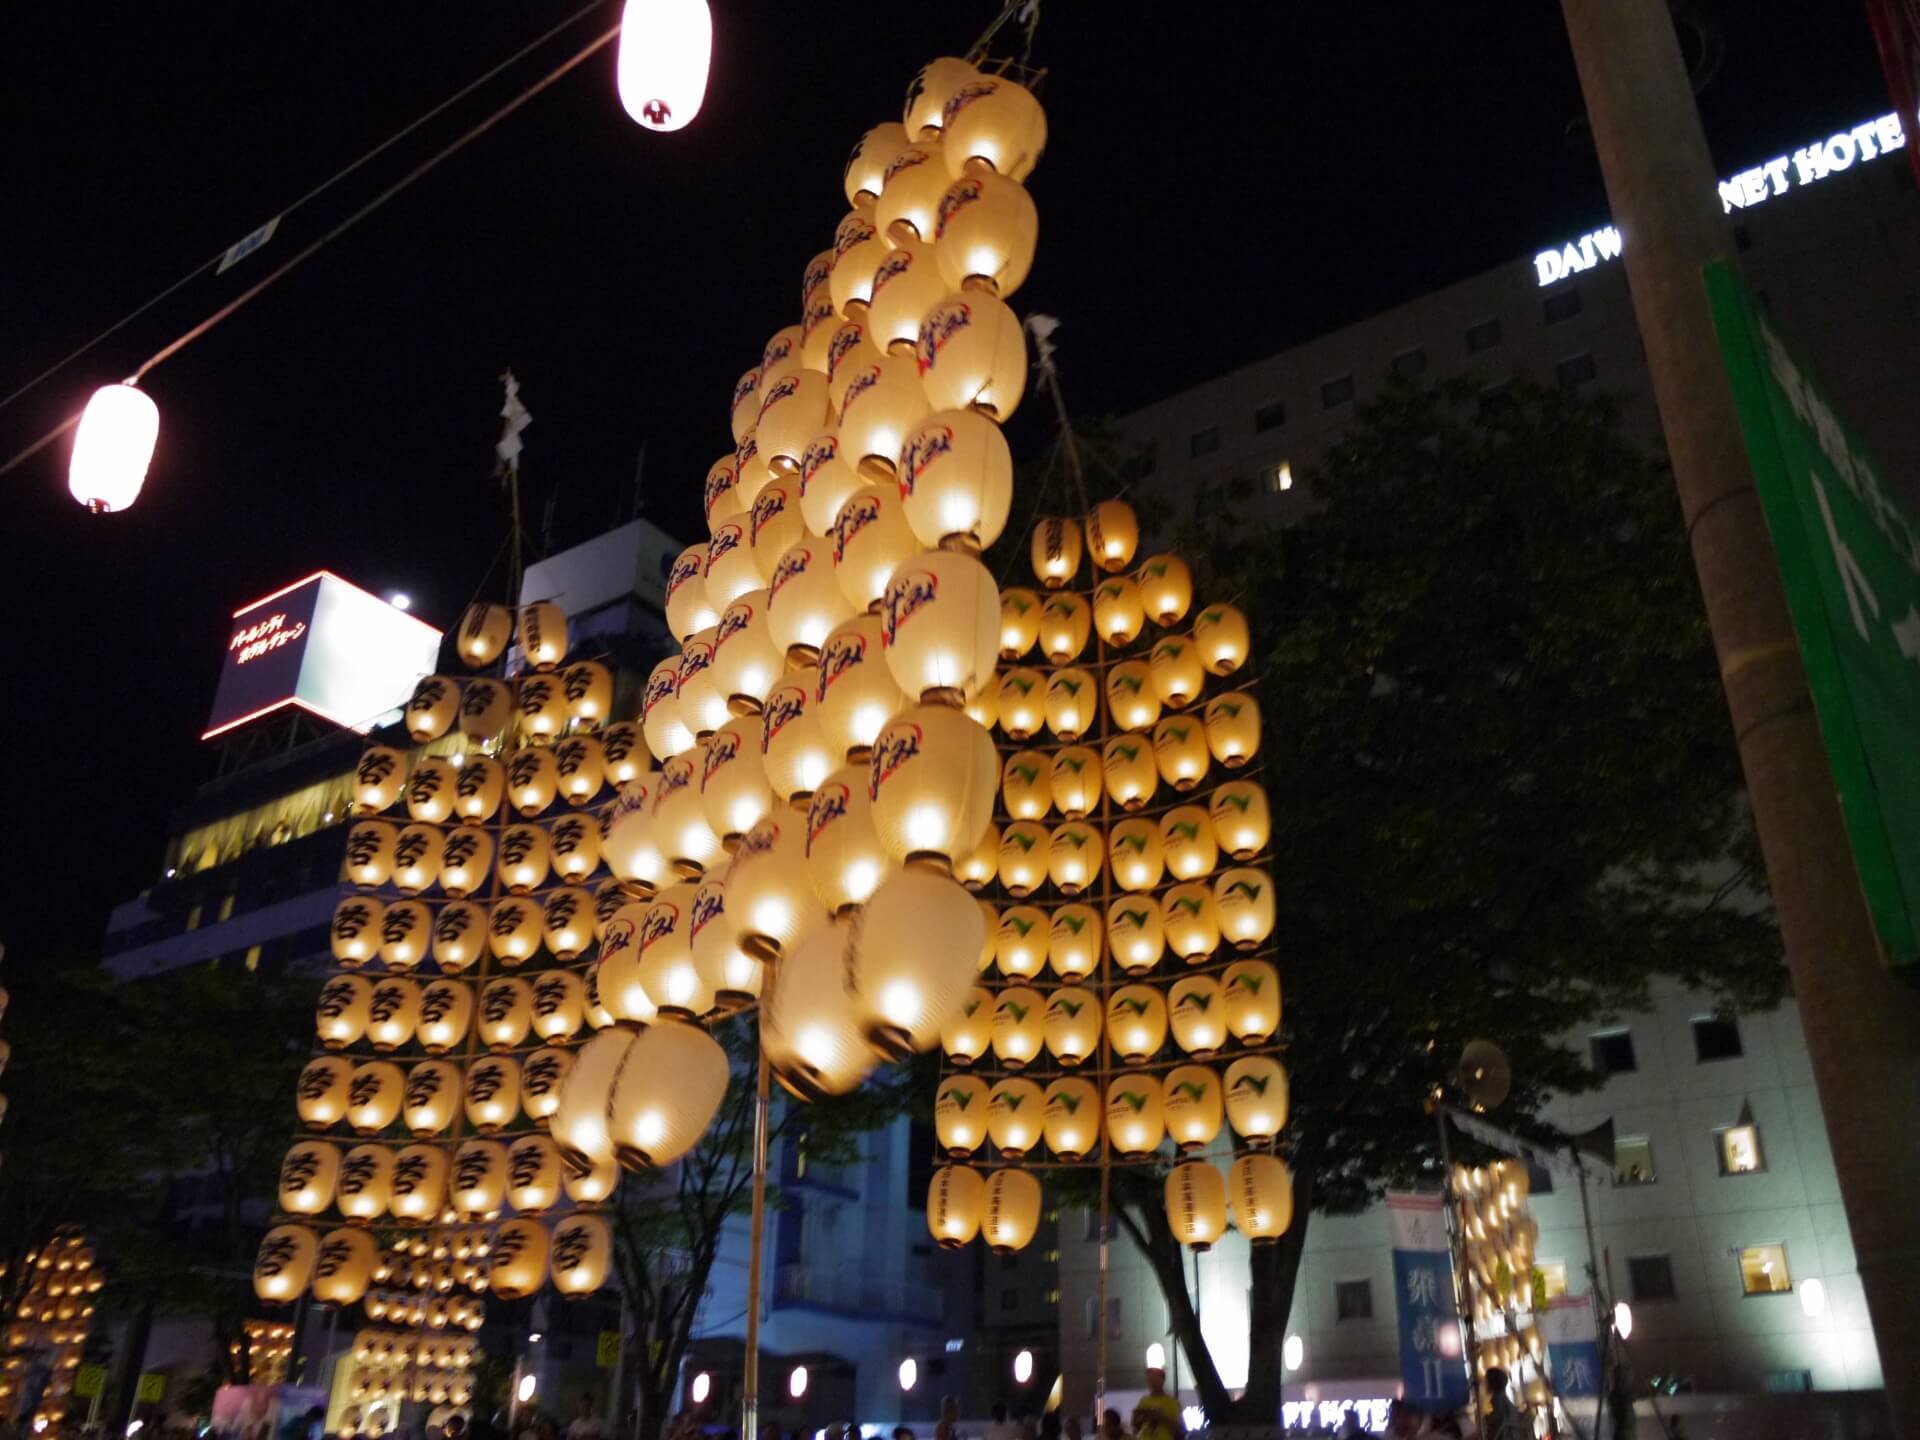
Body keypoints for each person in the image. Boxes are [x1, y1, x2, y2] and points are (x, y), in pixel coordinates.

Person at [1130, 1369, 1183, 1440]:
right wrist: (1136, 1417)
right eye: (1149, 1380)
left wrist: (1160, 1417)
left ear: (1162, 1380)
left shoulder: (1172, 1402)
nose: (1151, 1382)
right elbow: (1136, 1429)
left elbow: (1178, 1430)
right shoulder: (1144, 1400)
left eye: (1154, 1379)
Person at [1480, 1370, 1529, 1440]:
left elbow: (1493, 1431)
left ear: (1491, 1383)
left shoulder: (1495, 1403)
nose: (1483, 1384)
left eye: (1485, 1381)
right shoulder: (1506, 1401)